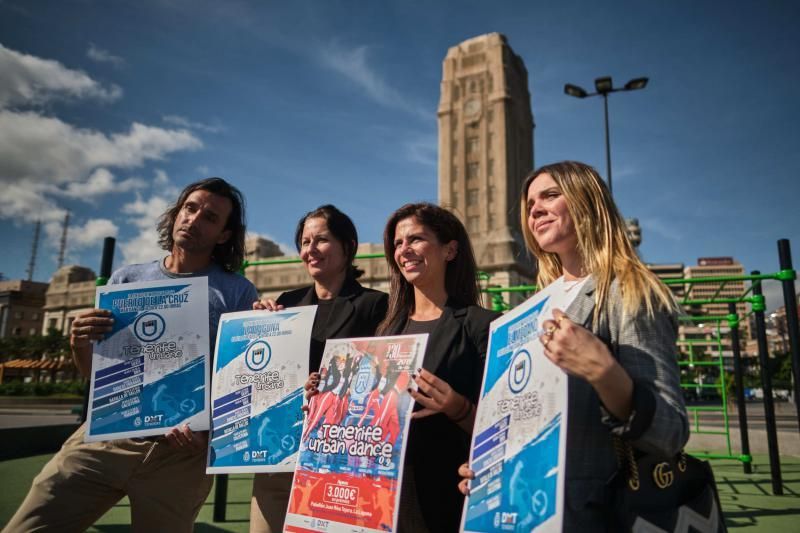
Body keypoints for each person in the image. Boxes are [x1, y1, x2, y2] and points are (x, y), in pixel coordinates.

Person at [5, 178, 259, 533]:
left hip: (180, 454)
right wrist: (79, 343)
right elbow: (97, 376)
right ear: (175, 214)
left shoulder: (236, 291)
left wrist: (210, 433)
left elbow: (242, 379)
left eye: (210, 217)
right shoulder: (127, 279)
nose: (194, 219)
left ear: (223, 235)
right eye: (190, 208)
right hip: (107, 438)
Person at [458, 161, 689, 530]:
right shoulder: (532, 309)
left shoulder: (626, 291)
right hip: (525, 509)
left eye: (550, 195)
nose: (535, 209)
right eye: (530, 203)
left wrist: (604, 372)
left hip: (593, 512)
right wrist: (492, 466)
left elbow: (670, 432)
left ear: (587, 202)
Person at [249, 204, 388, 533]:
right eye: (305, 242)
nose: (310, 249)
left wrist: (333, 384)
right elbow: (267, 371)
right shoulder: (286, 303)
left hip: (340, 452)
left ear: (347, 246)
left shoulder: (375, 305)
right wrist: (257, 326)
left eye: (321, 240)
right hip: (281, 450)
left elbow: (384, 375)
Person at [375, 202, 500, 533]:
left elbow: (507, 426)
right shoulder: (386, 333)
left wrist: (458, 408)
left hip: (453, 496)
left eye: (416, 239)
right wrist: (327, 394)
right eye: (398, 243)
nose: (404, 250)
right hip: (383, 500)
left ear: (450, 250)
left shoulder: (482, 325)